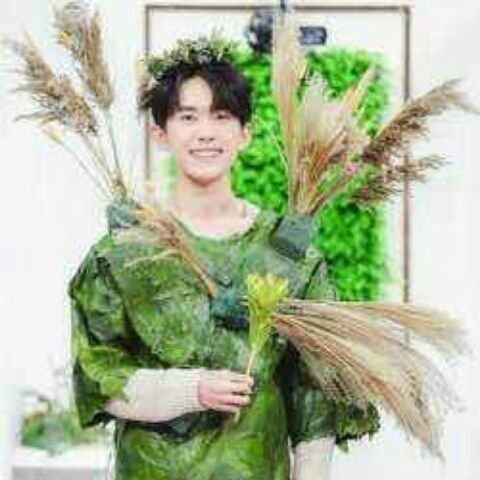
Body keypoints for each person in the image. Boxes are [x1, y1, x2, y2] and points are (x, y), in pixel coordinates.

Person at [68, 43, 380, 480]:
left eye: (221, 116)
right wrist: (190, 389)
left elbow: (315, 398)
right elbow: (96, 373)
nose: (206, 133)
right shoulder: (124, 252)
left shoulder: (289, 256)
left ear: (245, 133)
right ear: (160, 132)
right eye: (188, 117)